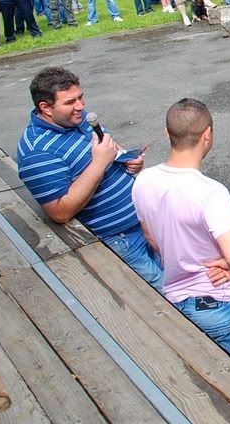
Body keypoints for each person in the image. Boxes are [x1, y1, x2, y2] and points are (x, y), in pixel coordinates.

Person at [132, 98, 230, 374]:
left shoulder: (144, 181)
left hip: (176, 299)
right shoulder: (210, 192)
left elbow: (151, 238)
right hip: (221, 303)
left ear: (167, 133)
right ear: (207, 134)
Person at [17, 67, 162, 288]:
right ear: (45, 108)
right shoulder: (37, 152)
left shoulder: (78, 119)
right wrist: (100, 162)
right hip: (120, 240)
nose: (81, 107)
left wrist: (126, 159)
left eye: (80, 97)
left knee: (182, 282)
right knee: (168, 299)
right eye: (70, 102)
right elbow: (60, 211)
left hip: (145, 222)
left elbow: (107, 146)